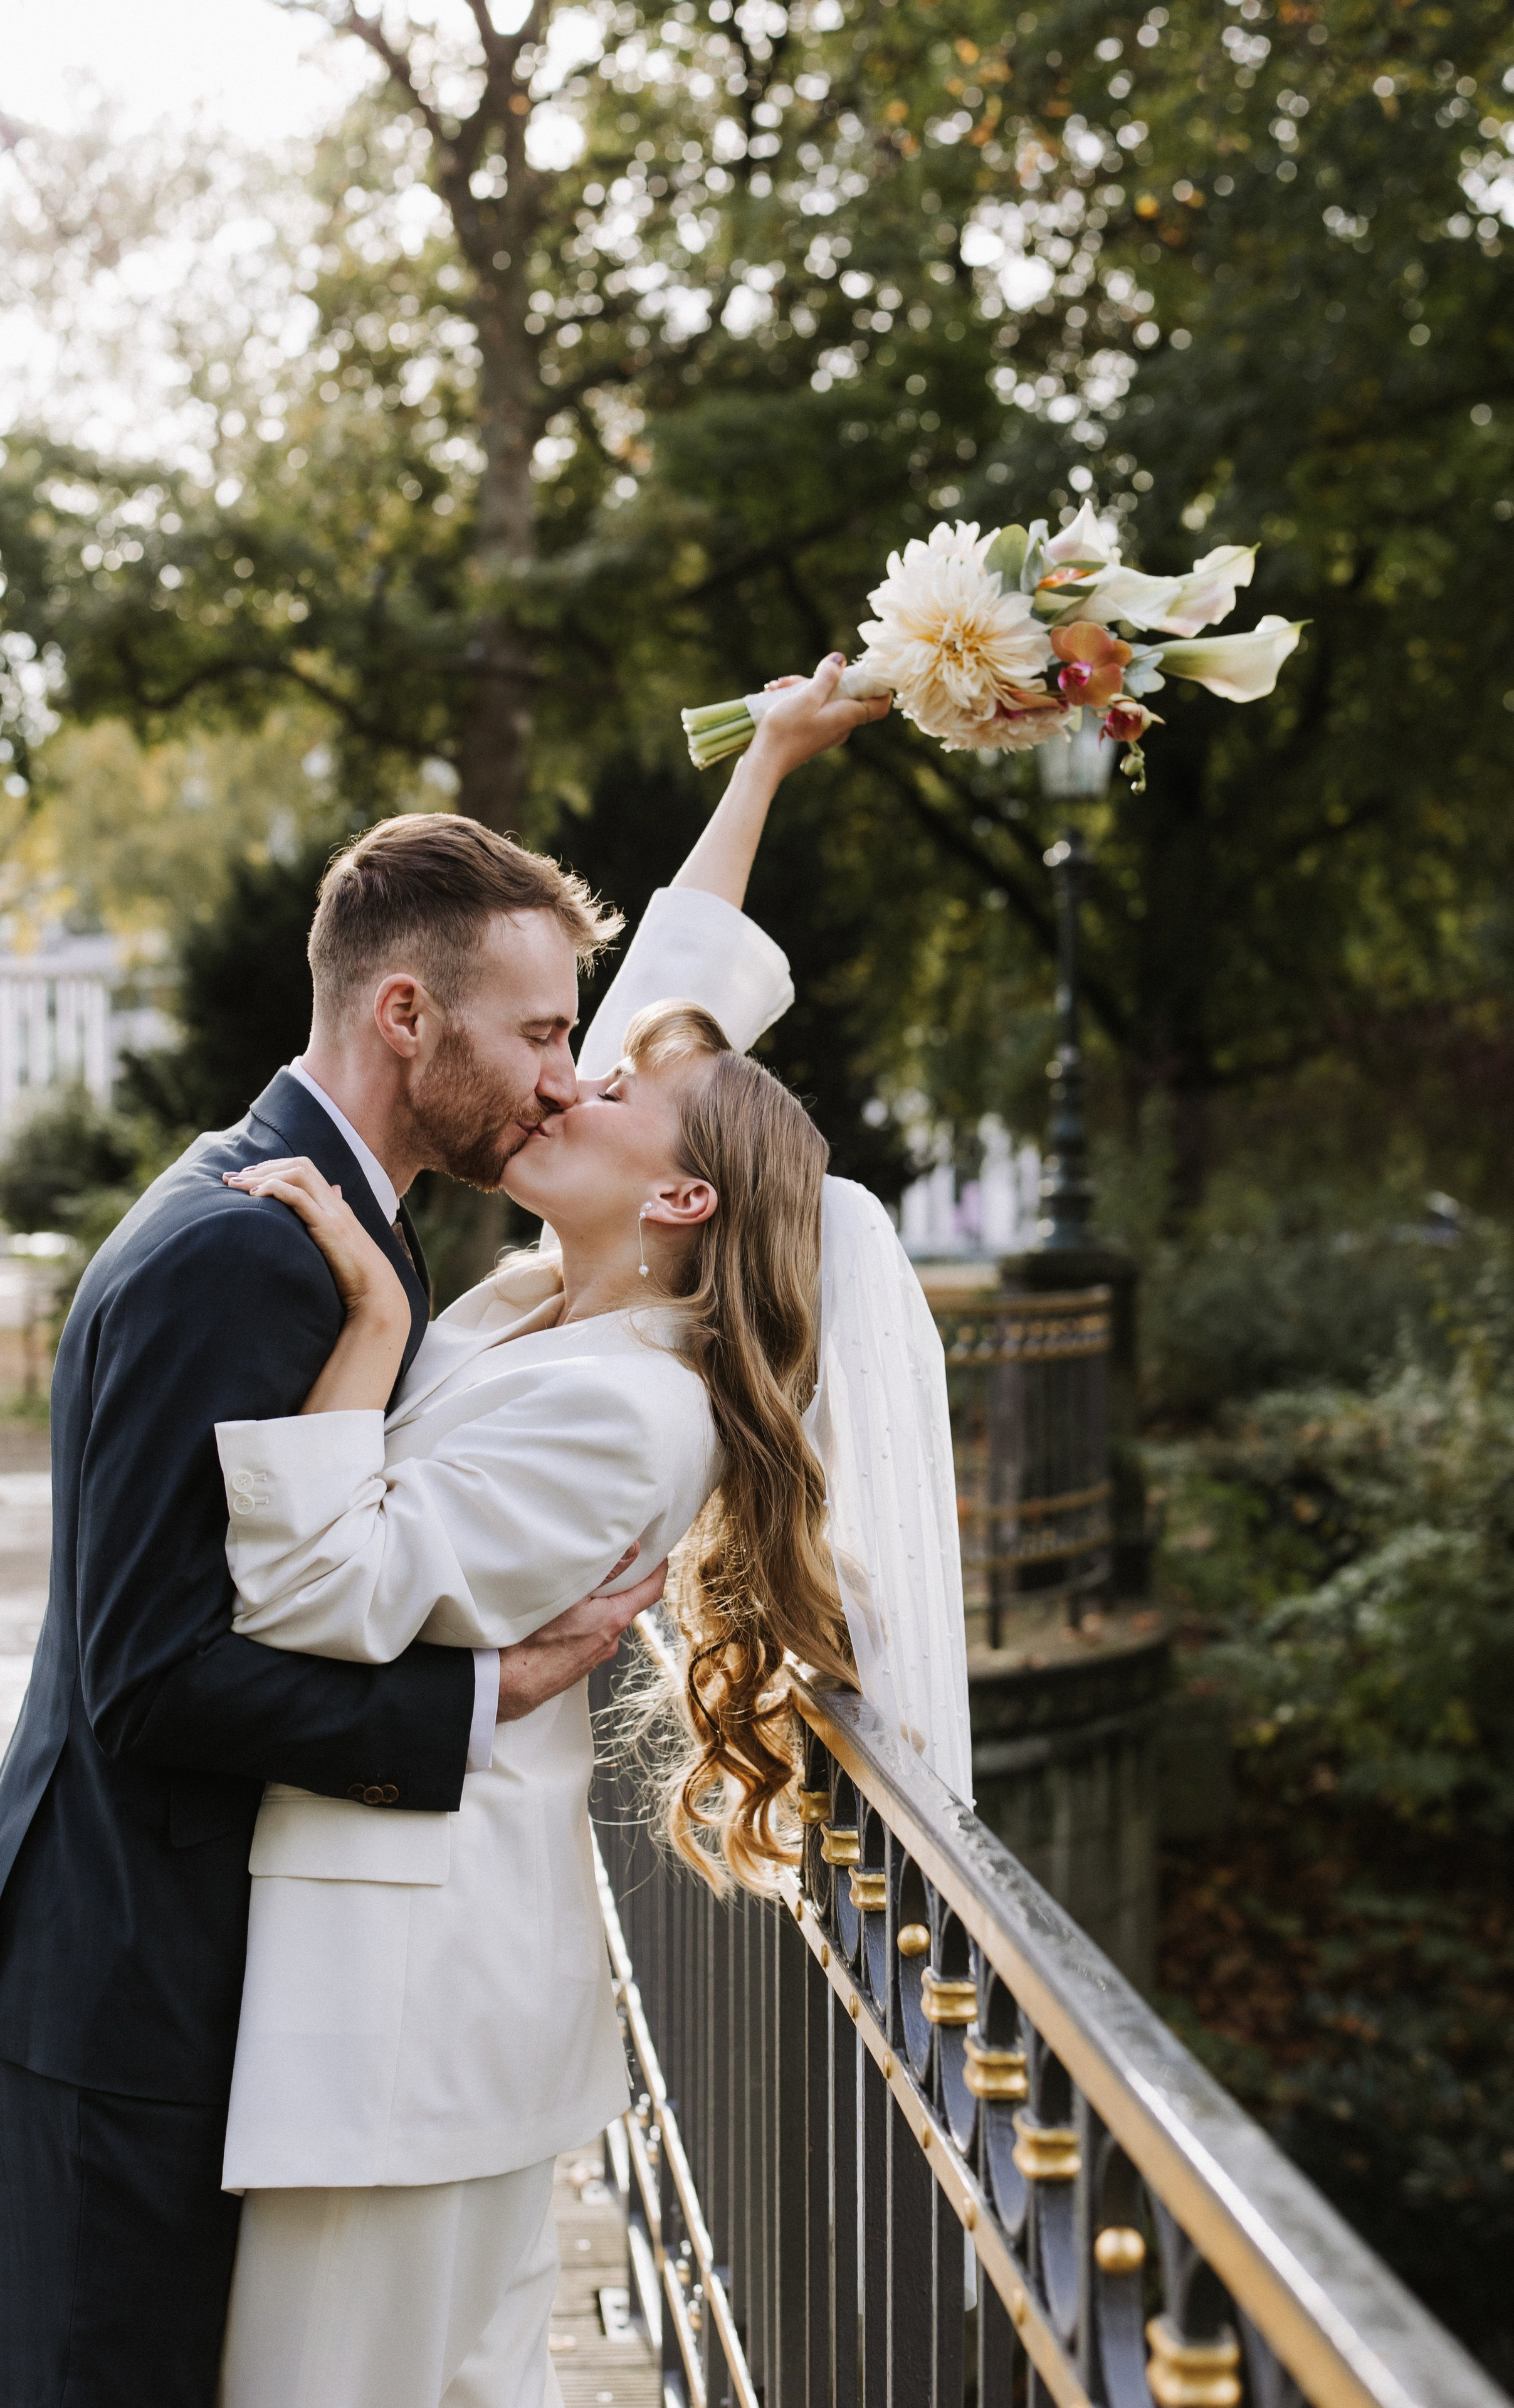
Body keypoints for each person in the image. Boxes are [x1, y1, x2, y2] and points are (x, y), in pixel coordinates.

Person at [0, 655, 879, 2408]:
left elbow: (664, 1052)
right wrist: (489, 1695)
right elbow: (156, 1677)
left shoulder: (449, 1260)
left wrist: (766, 765)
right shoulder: (259, 1249)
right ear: (405, 1021)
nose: (562, 1080)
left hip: (234, 1982)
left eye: (573, 1056)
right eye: (541, 1043)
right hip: (128, 1975)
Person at [202, 662, 972, 2407]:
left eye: (607, 1090)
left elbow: (324, 1588)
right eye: (574, 1060)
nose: (567, 1086)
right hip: (409, 1994)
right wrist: (771, 756)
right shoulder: (561, 1306)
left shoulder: (633, 1406)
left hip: (409, 2010)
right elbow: (677, 982)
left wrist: (375, 1338)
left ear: (683, 1198)